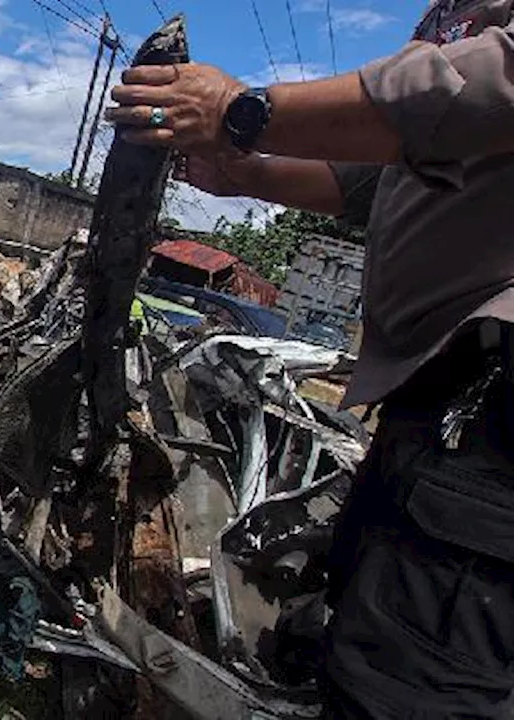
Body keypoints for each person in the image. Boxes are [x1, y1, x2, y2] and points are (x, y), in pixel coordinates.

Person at [107, 2, 514, 716]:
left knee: (413, 685)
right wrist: (247, 173)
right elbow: (375, 179)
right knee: (362, 635)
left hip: (494, 411)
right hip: (433, 400)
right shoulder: (458, 14)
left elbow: (471, 91)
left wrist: (241, 109)